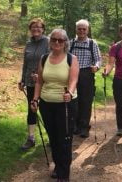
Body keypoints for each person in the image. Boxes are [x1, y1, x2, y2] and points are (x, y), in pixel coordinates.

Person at [31, 28, 79, 181]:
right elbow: (39, 81)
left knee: (64, 139)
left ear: (65, 42)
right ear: (50, 41)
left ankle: (64, 176)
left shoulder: (71, 58)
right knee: (53, 138)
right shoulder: (44, 58)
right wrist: (35, 99)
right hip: (46, 104)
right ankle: (58, 166)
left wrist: (69, 93)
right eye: (54, 39)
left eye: (60, 40)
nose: (57, 42)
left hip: (65, 105)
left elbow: (73, 80)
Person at [18, 18, 49, 151]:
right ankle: (31, 138)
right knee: (32, 109)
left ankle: (53, 138)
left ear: (43, 29)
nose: (36, 29)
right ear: (30, 29)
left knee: (47, 111)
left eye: (39, 27)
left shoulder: (48, 42)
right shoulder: (28, 44)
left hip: (46, 83)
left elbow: (52, 61)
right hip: (30, 83)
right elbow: (25, 64)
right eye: (33, 27)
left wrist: (41, 75)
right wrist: (22, 80)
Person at [69, 19, 102, 138]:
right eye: (79, 29)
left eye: (84, 29)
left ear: (87, 30)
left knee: (86, 101)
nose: (82, 31)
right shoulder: (71, 43)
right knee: (73, 101)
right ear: (76, 30)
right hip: (72, 74)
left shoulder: (92, 43)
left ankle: (84, 127)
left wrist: (96, 66)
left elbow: (98, 59)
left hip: (87, 74)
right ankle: (75, 126)